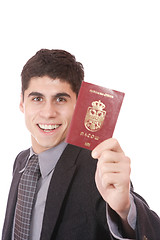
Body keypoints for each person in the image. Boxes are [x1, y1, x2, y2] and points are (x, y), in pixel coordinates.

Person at [2, 49, 160, 240]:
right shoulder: (21, 160)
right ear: (22, 103)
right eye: (37, 98)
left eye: (60, 99)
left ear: (79, 105)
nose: (48, 112)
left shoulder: (97, 166)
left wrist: (125, 211)